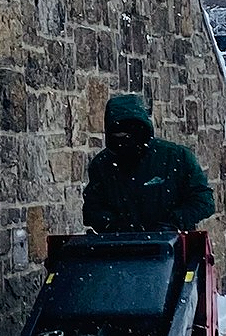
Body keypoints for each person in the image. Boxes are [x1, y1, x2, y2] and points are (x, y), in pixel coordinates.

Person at [83, 94, 215, 233]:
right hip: (120, 246)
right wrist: (112, 224)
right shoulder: (103, 165)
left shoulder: (175, 157)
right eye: (118, 137)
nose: (125, 143)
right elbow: (93, 208)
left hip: (172, 245)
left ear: (141, 130)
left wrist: (174, 222)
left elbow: (204, 200)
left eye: (129, 135)